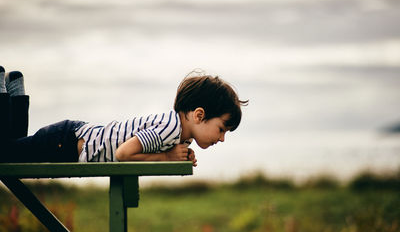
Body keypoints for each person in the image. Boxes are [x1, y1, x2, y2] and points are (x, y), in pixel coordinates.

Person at [0, 66, 248, 166]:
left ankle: (13, 89)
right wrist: (165, 157)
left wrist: (179, 154)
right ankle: (4, 93)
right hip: (63, 142)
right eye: (222, 128)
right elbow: (122, 153)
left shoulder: (176, 132)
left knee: (10, 152)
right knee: (6, 155)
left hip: (68, 139)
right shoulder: (169, 129)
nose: (222, 138)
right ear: (199, 115)